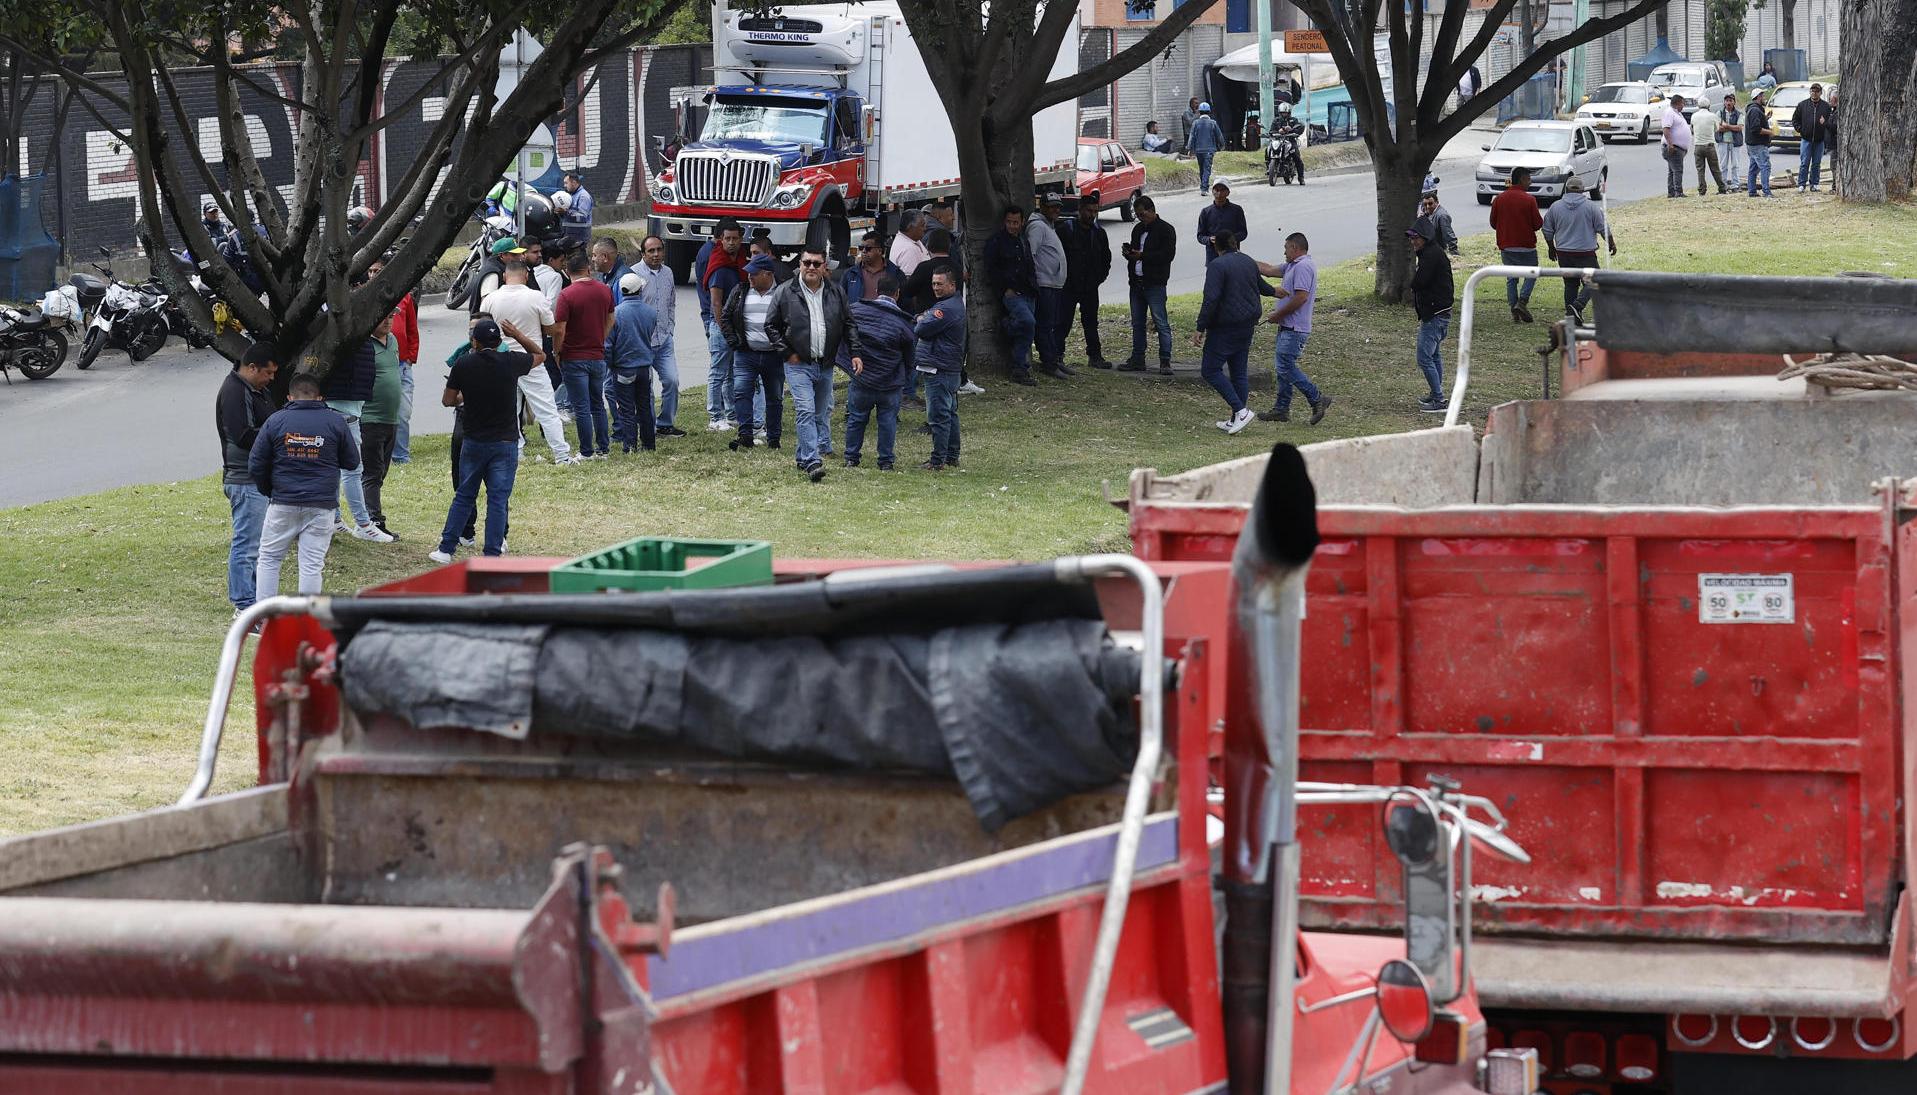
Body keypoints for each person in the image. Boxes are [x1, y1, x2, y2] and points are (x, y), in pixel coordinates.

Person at [430, 318, 541, 562]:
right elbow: (539, 354)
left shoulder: (464, 363)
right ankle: (492, 554)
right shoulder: (511, 361)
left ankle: (446, 548)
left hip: (474, 440)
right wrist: (518, 334)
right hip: (505, 441)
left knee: (464, 495)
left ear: (475, 342)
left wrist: (464, 396)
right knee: (498, 499)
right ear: (500, 341)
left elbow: (448, 400)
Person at [249, 373, 358, 596]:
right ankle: (306, 622)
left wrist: (270, 490)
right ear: (319, 398)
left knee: (269, 559)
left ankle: (264, 620)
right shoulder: (335, 421)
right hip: (322, 503)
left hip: (283, 501)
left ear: (290, 397)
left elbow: (256, 464)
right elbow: (352, 461)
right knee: (312, 564)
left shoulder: (276, 421)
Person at [765, 246, 862, 481]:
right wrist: (787, 352)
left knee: (819, 414)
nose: (810, 267)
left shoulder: (836, 292)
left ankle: (802, 456)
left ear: (824, 266)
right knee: (805, 410)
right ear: (799, 264)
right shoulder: (786, 291)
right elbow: (770, 326)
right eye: (806, 262)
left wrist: (855, 353)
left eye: (816, 264)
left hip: (825, 364)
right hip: (798, 364)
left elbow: (849, 324)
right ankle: (811, 460)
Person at [481, 262, 578, 465]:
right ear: (526, 276)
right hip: (530, 360)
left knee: (509, 410)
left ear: (505, 276)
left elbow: (483, 329)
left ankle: (516, 453)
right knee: (547, 410)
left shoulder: (490, 299)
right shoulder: (535, 296)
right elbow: (552, 329)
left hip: (500, 360)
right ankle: (561, 455)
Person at [216, 342, 279, 613]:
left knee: (256, 543)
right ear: (251, 368)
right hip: (244, 480)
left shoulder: (257, 390)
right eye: (268, 373)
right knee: (247, 543)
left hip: (257, 479)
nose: (271, 379)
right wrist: (278, 438)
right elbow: (243, 436)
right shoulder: (234, 392)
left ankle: (253, 599)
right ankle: (244, 605)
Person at [1190, 230, 1271, 435]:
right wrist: (1276, 292)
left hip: (1225, 326)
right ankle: (1236, 419)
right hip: (1247, 323)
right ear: (1236, 244)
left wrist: (1200, 326)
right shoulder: (1248, 261)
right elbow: (1261, 286)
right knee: (1238, 372)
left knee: (1210, 370)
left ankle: (1241, 411)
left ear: (1217, 245)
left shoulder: (1217, 266)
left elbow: (1211, 299)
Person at [319, 327, 394, 543]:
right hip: (343, 412)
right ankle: (363, 524)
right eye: (386, 316)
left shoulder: (354, 336)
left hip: (343, 408)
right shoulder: (350, 335)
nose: (389, 321)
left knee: (334, 469)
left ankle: (335, 519)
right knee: (353, 470)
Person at [840, 271, 916, 470]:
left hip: (861, 376)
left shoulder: (856, 310)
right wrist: (907, 378)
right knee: (888, 421)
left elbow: (843, 334)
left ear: (876, 290)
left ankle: (851, 458)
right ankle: (885, 461)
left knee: (856, 418)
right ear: (897, 294)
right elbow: (910, 355)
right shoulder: (903, 323)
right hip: (890, 382)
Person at [1253, 233, 1330, 425]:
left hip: (1295, 327)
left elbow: (1301, 297)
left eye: (1286, 247)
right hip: (1287, 326)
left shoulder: (1303, 266)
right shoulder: (1292, 266)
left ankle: (1317, 398)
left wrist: (1278, 315)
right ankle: (1281, 409)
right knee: (1283, 369)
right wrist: (1241, 258)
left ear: (1295, 248)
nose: (1284, 251)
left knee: (1284, 366)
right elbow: (1268, 270)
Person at [554, 249, 616, 459]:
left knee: (581, 407)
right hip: (597, 355)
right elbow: (611, 319)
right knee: (597, 403)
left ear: (567, 272)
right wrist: (600, 337)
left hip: (573, 356)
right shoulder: (604, 290)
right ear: (588, 269)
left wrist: (557, 351)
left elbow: (560, 329)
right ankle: (603, 449)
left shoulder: (566, 295)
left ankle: (586, 451)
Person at [722, 254, 787, 451]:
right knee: (741, 393)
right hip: (745, 354)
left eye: (754, 274)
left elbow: (792, 320)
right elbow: (725, 318)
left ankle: (774, 438)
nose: (749, 277)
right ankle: (745, 435)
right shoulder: (741, 291)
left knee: (774, 397)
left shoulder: (782, 293)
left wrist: (784, 346)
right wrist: (735, 342)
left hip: (773, 356)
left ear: (768, 274)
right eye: (749, 274)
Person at [1540, 176, 1614, 323]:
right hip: (1585, 254)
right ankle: (1577, 306)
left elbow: (1547, 229)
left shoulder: (1556, 206)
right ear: (1582, 191)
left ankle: (1570, 316)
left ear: (1566, 189)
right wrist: (1611, 243)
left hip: (1563, 253)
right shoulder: (1591, 207)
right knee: (1594, 281)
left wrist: (1551, 247)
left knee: (1570, 284)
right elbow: (1603, 228)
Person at [359, 314, 404, 538]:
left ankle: (368, 516)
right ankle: (372, 521)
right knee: (372, 472)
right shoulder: (363, 344)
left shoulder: (393, 340)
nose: (388, 321)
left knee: (381, 471)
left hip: (391, 418)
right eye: (383, 317)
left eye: (391, 317)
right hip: (370, 418)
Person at [915, 267, 965, 471]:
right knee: (950, 413)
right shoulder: (953, 304)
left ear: (952, 285)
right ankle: (951, 455)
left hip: (939, 368)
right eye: (934, 283)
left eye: (940, 284)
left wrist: (922, 318)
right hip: (948, 366)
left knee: (938, 416)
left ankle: (938, 460)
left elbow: (921, 328)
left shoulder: (945, 309)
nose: (935, 287)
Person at [634, 235, 684, 436]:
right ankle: (648, 426)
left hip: (664, 340)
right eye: (651, 251)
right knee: (645, 387)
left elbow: (671, 301)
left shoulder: (668, 273)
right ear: (643, 254)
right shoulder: (633, 274)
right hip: (643, 342)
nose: (656, 255)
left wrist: (670, 327)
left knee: (672, 381)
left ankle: (665, 424)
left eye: (659, 250)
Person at [605, 269, 660, 454]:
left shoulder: (616, 314)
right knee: (644, 406)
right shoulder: (650, 312)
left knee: (626, 409)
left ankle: (629, 446)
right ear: (640, 290)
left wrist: (611, 364)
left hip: (622, 368)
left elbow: (607, 345)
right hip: (644, 368)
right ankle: (649, 444)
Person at [983, 205, 1038, 387]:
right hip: (1012, 293)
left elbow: (1029, 263)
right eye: (1009, 222)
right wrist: (1005, 288)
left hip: (1028, 290)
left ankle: (1019, 369)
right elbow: (991, 269)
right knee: (1028, 322)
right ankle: (1005, 327)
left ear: (1022, 222)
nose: (1012, 226)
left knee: (1027, 331)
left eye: (1016, 222)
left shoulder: (1023, 240)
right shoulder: (997, 242)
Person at [1121, 194, 1176, 375]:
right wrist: (1130, 254)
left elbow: (1167, 256)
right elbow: (1136, 252)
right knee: (1137, 323)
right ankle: (1138, 358)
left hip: (1155, 283)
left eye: (1143, 214)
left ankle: (1165, 360)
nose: (1140, 218)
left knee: (1160, 322)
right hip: (1136, 282)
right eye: (1138, 215)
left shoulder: (1166, 230)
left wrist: (1142, 256)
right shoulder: (1138, 229)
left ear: (1152, 211)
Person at [702, 220, 748, 430]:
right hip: (720, 326)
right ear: (720, 240)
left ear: (741, 239)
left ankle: (731, 413)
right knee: (718, 372)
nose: (731, 243)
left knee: (731, 372)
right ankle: (715, 416)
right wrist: (724, 329)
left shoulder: (740, 261)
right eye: (727, 239)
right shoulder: (719, 266)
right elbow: (716, 303)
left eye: (735, 239)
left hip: (736, 325)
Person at [1058, 197, 1112, 370]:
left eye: (1095, 211)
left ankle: (1095, 356)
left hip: (1090, 286)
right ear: (1080, 209)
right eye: (1089, 211)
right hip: (1069, 285)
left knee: (1091, 322)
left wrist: (1099, 278)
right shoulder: (1066, 230)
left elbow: (1106, 258)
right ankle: (1057, 355)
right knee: (1062, 321)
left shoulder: (1099, 233)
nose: (1092, 215)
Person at [1408, 217, 1454, 413]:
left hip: (1435, 313)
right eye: (1411, 238)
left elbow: (1420, 281)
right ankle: (1436, 393)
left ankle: (1439, 399)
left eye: (1415, 238)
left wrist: (1412, 284)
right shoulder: (1431, 252)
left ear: (1425, 237)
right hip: (1439, 311)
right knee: (1434, 355)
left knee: (1424, 357)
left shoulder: (1430, 255)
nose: (1413, 242)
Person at [1489, 167, 1543, 323]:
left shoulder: (1499, 199)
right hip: (1527, 246)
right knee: (1532, 274)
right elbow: (1537, 224)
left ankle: (1514, 309)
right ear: (1521, 179)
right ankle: (1522, 301)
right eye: (1528, 179)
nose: (1530, 182)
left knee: (1512, 279)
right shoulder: (1529, 200)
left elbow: (1493, 222)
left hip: (1507, 245)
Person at [1026, 196, 1071, 379]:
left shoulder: (1049, 226)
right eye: (1051, 207)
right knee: (1045, 325)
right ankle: (1049, 363)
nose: (1056, 210)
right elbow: (1030, 253)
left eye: (1058, 207)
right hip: (1044, 284)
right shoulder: (1037, 226)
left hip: (1054, 284)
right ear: (1042, 207)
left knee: (1053, 324)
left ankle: (1054, 359)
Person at [383, 258, 419, 464]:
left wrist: (411, 357)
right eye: (370, 271)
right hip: (381, 366)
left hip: (403, 364)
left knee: (403, 413)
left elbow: (412, 330)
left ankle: (400, 454)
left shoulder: (405, 298)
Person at [1791, 83, 1833, 193]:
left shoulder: (1826, 106)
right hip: (1806, 139)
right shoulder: (1802, 105)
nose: (1814, 93)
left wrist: (1825, 124)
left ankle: (1814, 183)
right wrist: (1801, 129)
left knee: (1816, 163)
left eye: (1817, 91)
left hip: (1819, 140)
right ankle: (1801, 184)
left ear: (1820, 93)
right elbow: (1795, 119)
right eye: (1813, 91)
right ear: (1810, 92)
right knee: (1804, 162)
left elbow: (1830, 121)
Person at [841, 231, 905, 302]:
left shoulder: (895, 274)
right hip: (856, 313)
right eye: (861, 248)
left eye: (868, 248)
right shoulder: (850, 274)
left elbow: (905, 304)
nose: (864, 251)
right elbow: (840, 301)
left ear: (880, 251)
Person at [469, 236, 525, 316]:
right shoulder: (493, 273)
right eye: (514, 255)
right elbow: (486, 304)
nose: (519, 257)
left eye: (519, 254)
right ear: (502, 256)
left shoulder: (500, 267)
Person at [1195, 181, 1249, 264]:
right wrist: (1209, 240)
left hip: (1233, 256)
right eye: (1216, 190)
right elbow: (1200, 236)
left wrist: (1231, 239)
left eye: (1223, 190)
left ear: (1228, 192)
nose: (1219, 193)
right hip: (1213, 258)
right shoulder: (1205, 212)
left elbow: (1243, 232)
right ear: (1212, 191)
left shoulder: (1237, 210)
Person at [1188, 103, 1226, 193]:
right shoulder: (1213, 123)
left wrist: (1190, 149)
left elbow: (1192, 137)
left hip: (1198, 150)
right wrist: (1222, 145)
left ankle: (1203, 186)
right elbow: (1219, 136)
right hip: (1209, 150)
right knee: (1207, 169)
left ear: (1199, 112)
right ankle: (1204, 188)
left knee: (1201, 168)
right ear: (1209, 112)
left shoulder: (1195, 123)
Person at [1689, 104, 1725, 195]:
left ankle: (1702, 189)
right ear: (1709, 106)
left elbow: (1692, 129)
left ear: (1699, 106)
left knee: (1700, 169)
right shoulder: (1713, 116)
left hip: (1698, 146)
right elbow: (1717, 129)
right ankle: (1721, 188)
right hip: (1709, 145)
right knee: (1715, 169)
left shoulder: (1694, 116)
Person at [1745, 88, 1775, 197]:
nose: (1764, 98)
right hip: (1757, 144)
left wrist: (1765, 118)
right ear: (1758, 97)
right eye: (1763, 96)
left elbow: (1756, 122)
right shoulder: (1755, 110)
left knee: (1754, 168)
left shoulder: (1755, 109)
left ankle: (1752, 191)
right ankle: (1766, 192)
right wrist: (1769, 132)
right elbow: (1755, 128)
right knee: (1765, 166)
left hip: (1752, 144)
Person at [1660, 94, 1691, 198]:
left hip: (1677, 148)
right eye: (1682, 103)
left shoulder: (1677, 113)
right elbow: (1666, 128)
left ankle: (1672, 192)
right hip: (1673, 147)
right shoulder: (1669, 112)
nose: (1683, 106)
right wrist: (1670, 144)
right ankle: (1678, 192)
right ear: (1677, 103)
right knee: (1677, 170)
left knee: (1672, 171)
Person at [1716, 94, 1745, 189]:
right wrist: (1733, 127)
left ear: (1734, 102)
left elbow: (1739, 127)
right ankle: (1723, 184)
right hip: (1723, 141)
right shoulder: (1719, 113)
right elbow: (1718, 128)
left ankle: (1735, 184)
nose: (1728, 103)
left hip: (1735, 142)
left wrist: (1727, 126)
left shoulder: (1739, 114)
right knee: (1723, 164)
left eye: (1730, 101)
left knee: (1735, 164)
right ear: (1724, 102)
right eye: (1727, 100)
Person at [890, 210, 931, 275]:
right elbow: (910, 281)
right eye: (922, 225)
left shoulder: (912, 239)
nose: (925, 228)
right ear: (910, 227)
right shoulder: (908, 249)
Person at [591, 237, 631, 303]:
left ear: (605, 257)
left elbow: (623, 311)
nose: (592, 259)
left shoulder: (625, 278)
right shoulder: (602, 273)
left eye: (594, 255)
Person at [560, 171, 594, 245]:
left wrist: (566, 212)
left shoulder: (583, 196)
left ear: (574, 183)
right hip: (570, 235)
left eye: (566, 183)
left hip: (580, 238)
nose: (564, 185)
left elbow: (582, 218)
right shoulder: (571, 195)